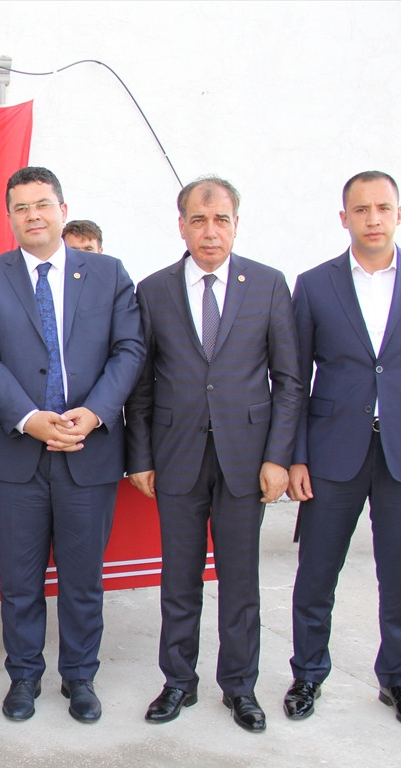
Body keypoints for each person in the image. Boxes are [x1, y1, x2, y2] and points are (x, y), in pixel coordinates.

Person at [284, 171, 401, 731]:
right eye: (361, 209)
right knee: (316, 573)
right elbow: (294, 379)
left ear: (398, 214)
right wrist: (296, 456)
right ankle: (308, 673)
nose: (372, 218)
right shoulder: (314, 285)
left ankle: (399, 679)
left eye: (382, 208)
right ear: (344, 218)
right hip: (331, 454)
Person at [0, 167, 144, 724]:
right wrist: (28, 418)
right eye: (21, 207)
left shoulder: (109, 274)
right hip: (15, 453)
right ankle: (24, 677)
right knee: (19, 580)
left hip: (88, 449)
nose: (33, 215)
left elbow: (130, 350)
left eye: (42, 204)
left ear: (62, 210)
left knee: (82, 578)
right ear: (10, 217)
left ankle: (80, 677)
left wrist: (94, 412)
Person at [124, 176, 302, 733]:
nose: (210, 231)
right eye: (198, 220)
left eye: (221, 219)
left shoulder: (267, 285)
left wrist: (278, 457)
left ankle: (240, 687)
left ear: (235, 225)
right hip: (176, 456)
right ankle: (178, 681)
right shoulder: (154, 290)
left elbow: (289, 381)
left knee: (240, 580)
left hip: (247, 459)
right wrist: (140, 457)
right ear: (181, 225)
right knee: (179, 578)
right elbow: (140, 386)